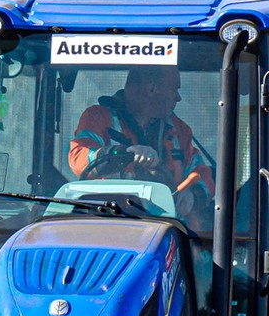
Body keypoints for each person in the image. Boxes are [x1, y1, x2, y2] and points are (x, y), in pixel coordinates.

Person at [66, 66, 216, 231]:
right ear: (152, 89)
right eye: (174, 89)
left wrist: (193, 194)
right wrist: (122, 154)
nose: (178, 98)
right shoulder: (98, 118)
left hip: (166, 231)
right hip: (105, 227)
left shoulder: (180, 130)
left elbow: (203, 174)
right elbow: (79, 157)